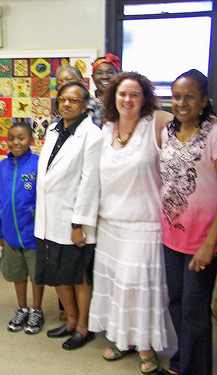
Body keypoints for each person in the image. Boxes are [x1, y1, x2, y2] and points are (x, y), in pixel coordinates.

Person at [88, 72, 173, 373]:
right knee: (113, 284)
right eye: (122, 94)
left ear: (144, 98)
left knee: (136, 286)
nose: (127, 99)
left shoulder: (157, 123)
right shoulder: (107, 126)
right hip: (110, 223)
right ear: (113, 97)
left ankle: (146, 345)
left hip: (144, 223)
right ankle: (122, 340)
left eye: (134, 94)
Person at [35, 82, 103, 350]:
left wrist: (78, 223)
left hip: (74, 218)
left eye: (73, 100)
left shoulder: (92, 135)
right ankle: (71, 320)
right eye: (62, 99)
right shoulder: (53, 128)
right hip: (49, 216)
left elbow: (89, 182)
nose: (66, 104)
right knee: (57, 272)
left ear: (85, 104)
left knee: (78, 275)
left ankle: (84, 326)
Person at [160, 69, 217, 375]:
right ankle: (185, 361)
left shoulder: (214, 133)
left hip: (203, 241)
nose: (181, 103)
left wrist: (210, 244)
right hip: (171, 236)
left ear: (204, 100)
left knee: (195, 311)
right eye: (176, 96)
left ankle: (196, 370)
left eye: (189, 96)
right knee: (178, 304)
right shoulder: (167, 132)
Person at [0, 122, 44, 334]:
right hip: (10, 233)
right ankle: (22, 308)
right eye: (12, 138)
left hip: (32, 233)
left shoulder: (38, 164)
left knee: (36, 275)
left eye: (21, 138)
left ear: (31, 140)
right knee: (17, 274)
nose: (16, 142)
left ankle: (37, 310)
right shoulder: (3, 167)